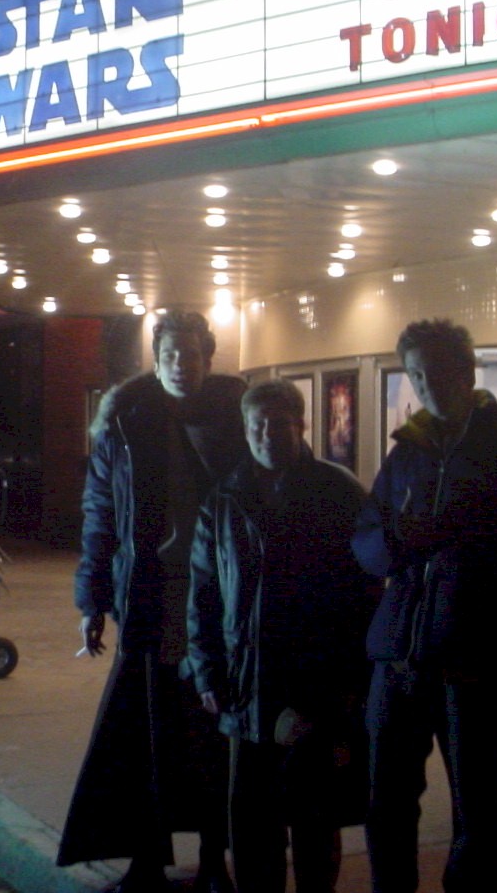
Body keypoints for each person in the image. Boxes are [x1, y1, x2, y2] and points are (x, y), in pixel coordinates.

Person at [352, 319, 497, 893]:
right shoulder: (406, 453)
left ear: (468, 372)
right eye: (417, 374)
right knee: (386, 803)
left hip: (472, 660)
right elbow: (366, 537)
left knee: (475, 808)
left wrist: (489, 598)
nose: (429, 385)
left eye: (440, 372)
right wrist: (397, 543)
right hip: (397, 658)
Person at [58, 311, 246, 893]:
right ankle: (147, 860)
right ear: (157, 358)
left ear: (207, 358)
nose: (181, 365)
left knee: (217, 734)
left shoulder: (237, 418)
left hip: (220, 602)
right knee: (145, 735)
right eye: (170, 354)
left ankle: (217, 856)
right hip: (151, 600)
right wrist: (91, 599)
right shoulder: (125, 421)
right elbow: (101, 514)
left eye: (191, 354)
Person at [186, 378, 378, 893]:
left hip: (318, 686)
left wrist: (350, 688)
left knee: (316, 820)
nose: (267, 434)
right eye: (258, 425)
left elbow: (365, 598)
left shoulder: (339, 493)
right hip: (246, 686)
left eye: (279, 424)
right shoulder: (223, 498)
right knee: (251, 824)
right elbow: (204, 595)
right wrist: (206, 671)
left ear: (302, 425)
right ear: (245, 430)